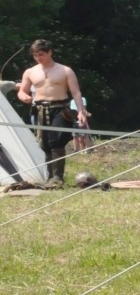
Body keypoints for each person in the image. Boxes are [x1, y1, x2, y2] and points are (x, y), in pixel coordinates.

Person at [16, 39, 89, 187]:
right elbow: (22, 91)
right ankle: (50, 177)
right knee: (44, 143)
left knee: (56, 140)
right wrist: (23, 96)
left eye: (41, 54)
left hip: (60, 109)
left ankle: (57, 177)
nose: (38, 58)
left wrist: (81, 111)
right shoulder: (30, 72)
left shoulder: (65, 70)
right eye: (35, 55)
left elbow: (76, 92)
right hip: (40, 110)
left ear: (49, 52)